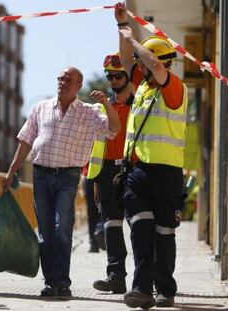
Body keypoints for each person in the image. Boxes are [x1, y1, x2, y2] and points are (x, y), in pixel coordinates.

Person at [2, 66, 121, 298]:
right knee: (45, 232)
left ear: (78, 85)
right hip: (41, 175)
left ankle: (63, 282)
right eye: (60, 78)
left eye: (68, 79)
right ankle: (50, 283)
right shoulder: (41, 107)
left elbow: (114, 129)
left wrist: (106, 103)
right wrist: (10, 171)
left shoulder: (89, 112)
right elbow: (25, 141)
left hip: (68, 176)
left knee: (61, 229)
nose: (62, 82)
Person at [115, 3, 188, 309]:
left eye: (143, 61)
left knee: (163, 233)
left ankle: (165, 290)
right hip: (137, 172)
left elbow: (155, 67)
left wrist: (135, 41)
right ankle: (142, 289)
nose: (139, 67)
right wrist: (122, 28)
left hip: (166, 173)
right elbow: (124, 60)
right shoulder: (143, 89)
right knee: (141, 230)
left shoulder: (173, 87)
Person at [88, 53, 133, 294]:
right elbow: (98, 145)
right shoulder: (102, 108)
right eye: (110, 76)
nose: (114, 80)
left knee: (139, 226)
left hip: (133, 169)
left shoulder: (139, 105)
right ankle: (116, 277)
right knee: (111, 225)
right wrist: (97, 179)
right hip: (106, 171)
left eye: (118, 76)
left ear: (127, 77)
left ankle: (148, 279)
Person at [81, 165, 105, 253]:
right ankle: (100, 230)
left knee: (91, 214)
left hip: (88, 177)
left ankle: (93, 244)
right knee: (103, 208)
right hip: (103, 176)